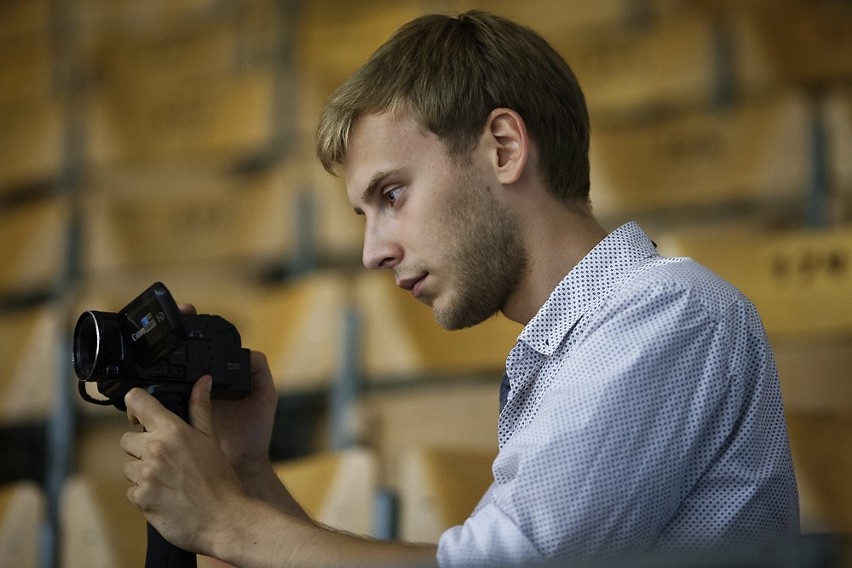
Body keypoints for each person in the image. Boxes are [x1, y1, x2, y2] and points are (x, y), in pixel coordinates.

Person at [120, 10, 800, 567]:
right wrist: (247, 475)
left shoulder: (667, 314)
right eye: (364, 214)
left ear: (503, 148)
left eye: (392, 194)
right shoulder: (584, 340)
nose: (372, 252)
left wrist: (228, 523)